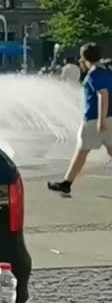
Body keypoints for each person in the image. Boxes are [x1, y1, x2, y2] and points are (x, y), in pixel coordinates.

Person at [48, 43, 112, 195]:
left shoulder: (94, 74)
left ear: (84, 58)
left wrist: (101, 121)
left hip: (94, 120)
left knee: (82, 150)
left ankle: (66, 183)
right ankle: (66, 183)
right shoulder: (107, 70)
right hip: (108, 117)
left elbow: (103, 95)